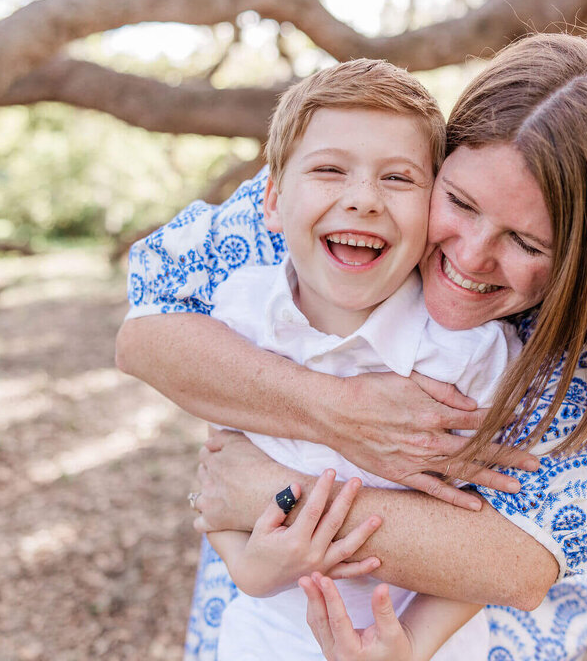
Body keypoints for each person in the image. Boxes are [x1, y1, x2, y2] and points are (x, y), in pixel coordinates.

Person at [116, 32, 587, 660]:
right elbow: (147, 335)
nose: (470, 257)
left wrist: (273, 492)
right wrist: (337, 411)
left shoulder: (557, 348)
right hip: (263, 625)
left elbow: (514, 565)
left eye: (528, 244)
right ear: (442, 160)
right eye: (460, 202)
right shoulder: (334, 195)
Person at [200, 58, 515, 660]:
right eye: (328, 170)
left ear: (434, 209)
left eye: (398, 179)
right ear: (271, 200)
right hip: (265, 640)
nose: (364, 200)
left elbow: (499, 533)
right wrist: (250, 567)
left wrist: (410, 646)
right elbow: (218, 470)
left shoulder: (468, 351)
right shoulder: (239, 313)